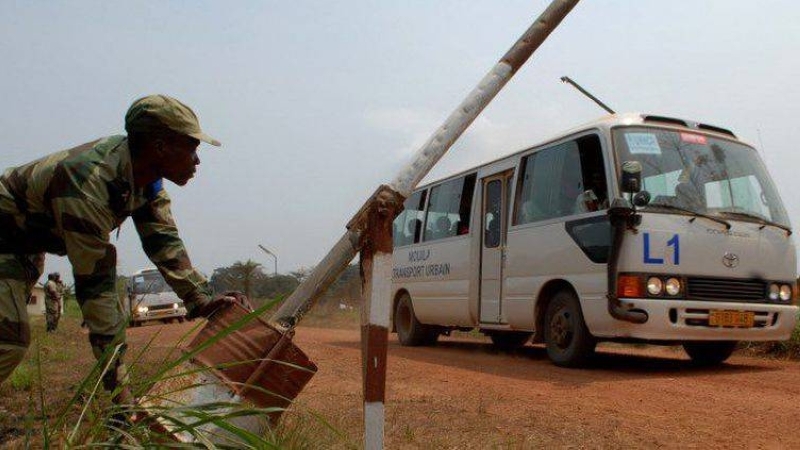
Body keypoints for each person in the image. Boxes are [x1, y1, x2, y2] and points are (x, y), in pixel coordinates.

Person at [0, 95, 236, 403]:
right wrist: (121, 397)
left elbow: (163, 242)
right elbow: (95, 290)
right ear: (160, 147)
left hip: (25, 247)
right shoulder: (87, 183)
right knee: (9, 340)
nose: (197, 160)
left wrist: (200, 298)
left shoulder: (146, 182)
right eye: (191, 147)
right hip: (6, 242)